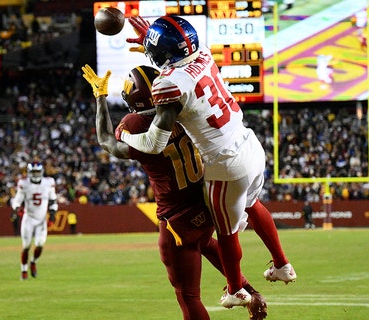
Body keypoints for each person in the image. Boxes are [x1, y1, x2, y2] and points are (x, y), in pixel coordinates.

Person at [122, 15, 295, 308]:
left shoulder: (167, 84)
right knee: (253, 205)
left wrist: (125, 137)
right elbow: (177, 62)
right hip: (249, 144)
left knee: (226, 233)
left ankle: (235, 289)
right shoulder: (203, 54)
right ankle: (281, 264)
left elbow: (154, 143)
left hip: (224, 162)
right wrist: (154, 45)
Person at [82, 64, 267, 320]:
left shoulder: (136, 124)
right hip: (206, 205)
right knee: (206, 243)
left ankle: (245, 290)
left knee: (188, 297)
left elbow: (106, 141)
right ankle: (247, 290)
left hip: (177, 221)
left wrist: (100, 98)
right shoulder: (186, 111)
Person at [10, 162, 58, 280]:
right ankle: (24, 270)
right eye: (33, 172)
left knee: (40, 244)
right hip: (29, 218)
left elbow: (53, 200)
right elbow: (16, 201)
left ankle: (33, 262)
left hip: (41, 220)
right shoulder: (24, 184)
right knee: (26, 246)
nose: (36, 174)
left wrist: (52, 214)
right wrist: (17, 209)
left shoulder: (48, 183)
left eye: (37, 172)